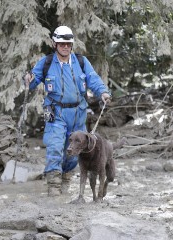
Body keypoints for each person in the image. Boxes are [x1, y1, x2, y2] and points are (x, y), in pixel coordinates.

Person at [24, 26, 111, 196]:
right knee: (55, 147)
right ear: (54, 44)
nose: (65, 47)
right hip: (56, 113)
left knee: (75, 149)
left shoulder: (80, 61)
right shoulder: (47, 62)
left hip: (78, 113)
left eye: (68, 44)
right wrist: (28, 79)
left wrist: (103, 92)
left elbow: (93, 79)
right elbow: (32, 82)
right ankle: (54, 186)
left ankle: (66, 180)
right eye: (61, 43)